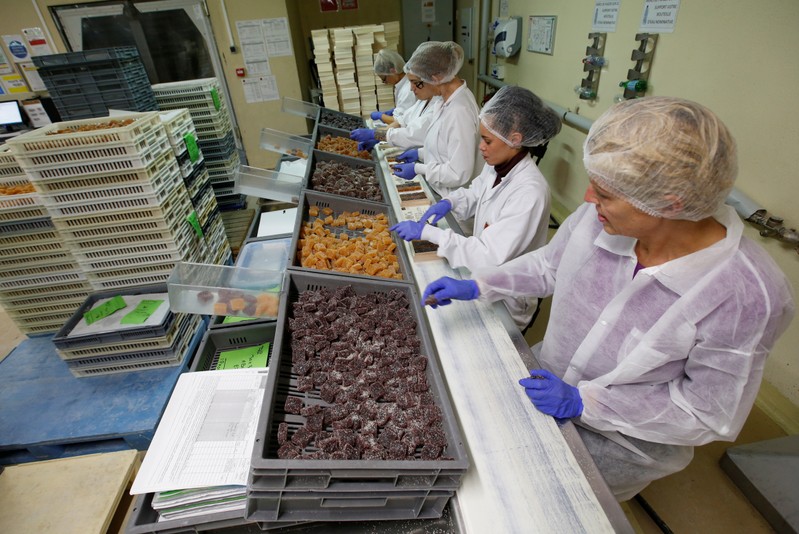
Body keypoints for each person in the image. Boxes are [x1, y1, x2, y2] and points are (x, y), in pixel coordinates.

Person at [420, 96, 795, 501]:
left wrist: (586, 404)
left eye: (604, 194)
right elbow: (551, 266)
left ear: (670, 204)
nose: (585, 201)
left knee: (557, 506)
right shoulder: (602, 217)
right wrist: (481, 284)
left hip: (622, 443)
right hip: (550, 377)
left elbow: (706, 411)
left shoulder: (744, 294)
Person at [390, 85, 561, 329]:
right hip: (485, 280)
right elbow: (476, 192)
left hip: (509, 299)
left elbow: (488, 255)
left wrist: (429, 233)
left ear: (515, 140)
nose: (481, 147)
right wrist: (450, 202)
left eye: (487, 140)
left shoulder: (530, 193)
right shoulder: (498, 164)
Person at [391, 41, 481, 197]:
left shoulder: (459, 111)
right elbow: (445, 149)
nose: (411, 89)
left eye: (415, 82)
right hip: (441, 190)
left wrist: (418, 169)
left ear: (437, 77)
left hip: (454, 200)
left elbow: (458, 173)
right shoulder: (443, 100)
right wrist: (420, 153)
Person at [369, 49, 415, 125]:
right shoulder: (401, 85)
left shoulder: (408, 90)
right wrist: (396, 110)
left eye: (384, 79)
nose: (385, 82)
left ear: (393, 71)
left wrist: (381, 116)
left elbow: (399, 123)